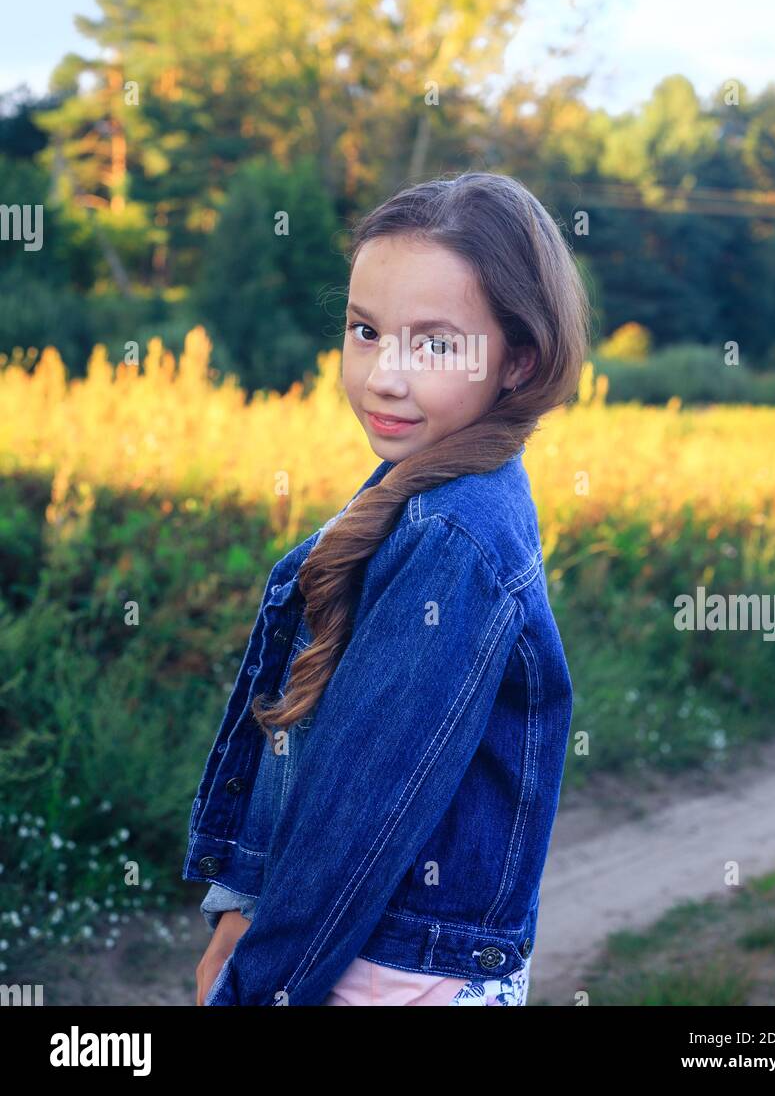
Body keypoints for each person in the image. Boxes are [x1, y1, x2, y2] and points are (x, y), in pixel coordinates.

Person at [188, 170, 591, 1005]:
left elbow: (360, 820)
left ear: (519, 359)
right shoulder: (418, 489)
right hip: (365, 955)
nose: (383, 377)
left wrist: (258, 987)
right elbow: (315, 752)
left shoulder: (453, 533)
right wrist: (241, 910)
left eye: (435, 344)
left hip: (383, 975)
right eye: (366, 331)